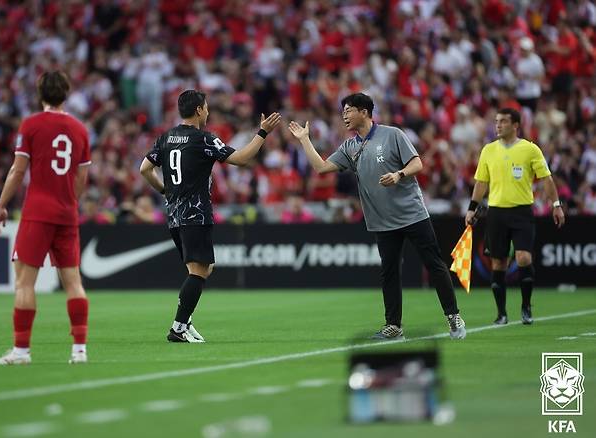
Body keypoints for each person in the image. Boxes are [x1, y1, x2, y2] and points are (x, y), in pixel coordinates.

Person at [289, 92, 466, 340]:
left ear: (364, 112)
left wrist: (398, 175)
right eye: (343, 112)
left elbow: (417, 164)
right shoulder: (350, 146)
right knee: (389, 272)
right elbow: (321, 167)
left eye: (349, 110)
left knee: (434, 265)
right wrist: (305, 140)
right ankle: (393, 325)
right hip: (382, 221)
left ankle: (453, 315)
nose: (344, 116)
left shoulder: (392, 134)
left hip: (413, 214)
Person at [139, 90, 281, 343]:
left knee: (203, 268)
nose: (207, 111)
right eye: (205, 107)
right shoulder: (203, 139)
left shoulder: (166, 137)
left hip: (174, 215)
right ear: (198, 111)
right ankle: (179, 327)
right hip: (195, 214)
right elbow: (240, 159)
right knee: (199, 271)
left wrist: (163, 189)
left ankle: (186, 322)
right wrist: (262, 133)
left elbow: (145, 169)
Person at [0, 71, 91, 365]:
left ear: (40, 94)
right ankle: (79, 351)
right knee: (73, 282)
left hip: (37, 212)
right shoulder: (80, 129)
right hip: (66, 212)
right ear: (67, 93)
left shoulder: (31, 125)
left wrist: (1, 204)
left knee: (24, 283)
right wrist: (70, 201)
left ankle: (21, 351)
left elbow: (18, 171)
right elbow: (82, 176)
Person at [466, 108, 565, 325]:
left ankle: (526, 306)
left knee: (523, 258)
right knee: (498, 263)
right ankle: (501, 314)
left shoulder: (530, 150)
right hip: (496, 212)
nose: (498, 125)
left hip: (521, 211)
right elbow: (482, 182)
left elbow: (546, 179)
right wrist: (472, 207)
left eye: (503, 121)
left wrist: (556, 205)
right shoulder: (488, 151)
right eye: (496, 121)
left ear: (516, 125)